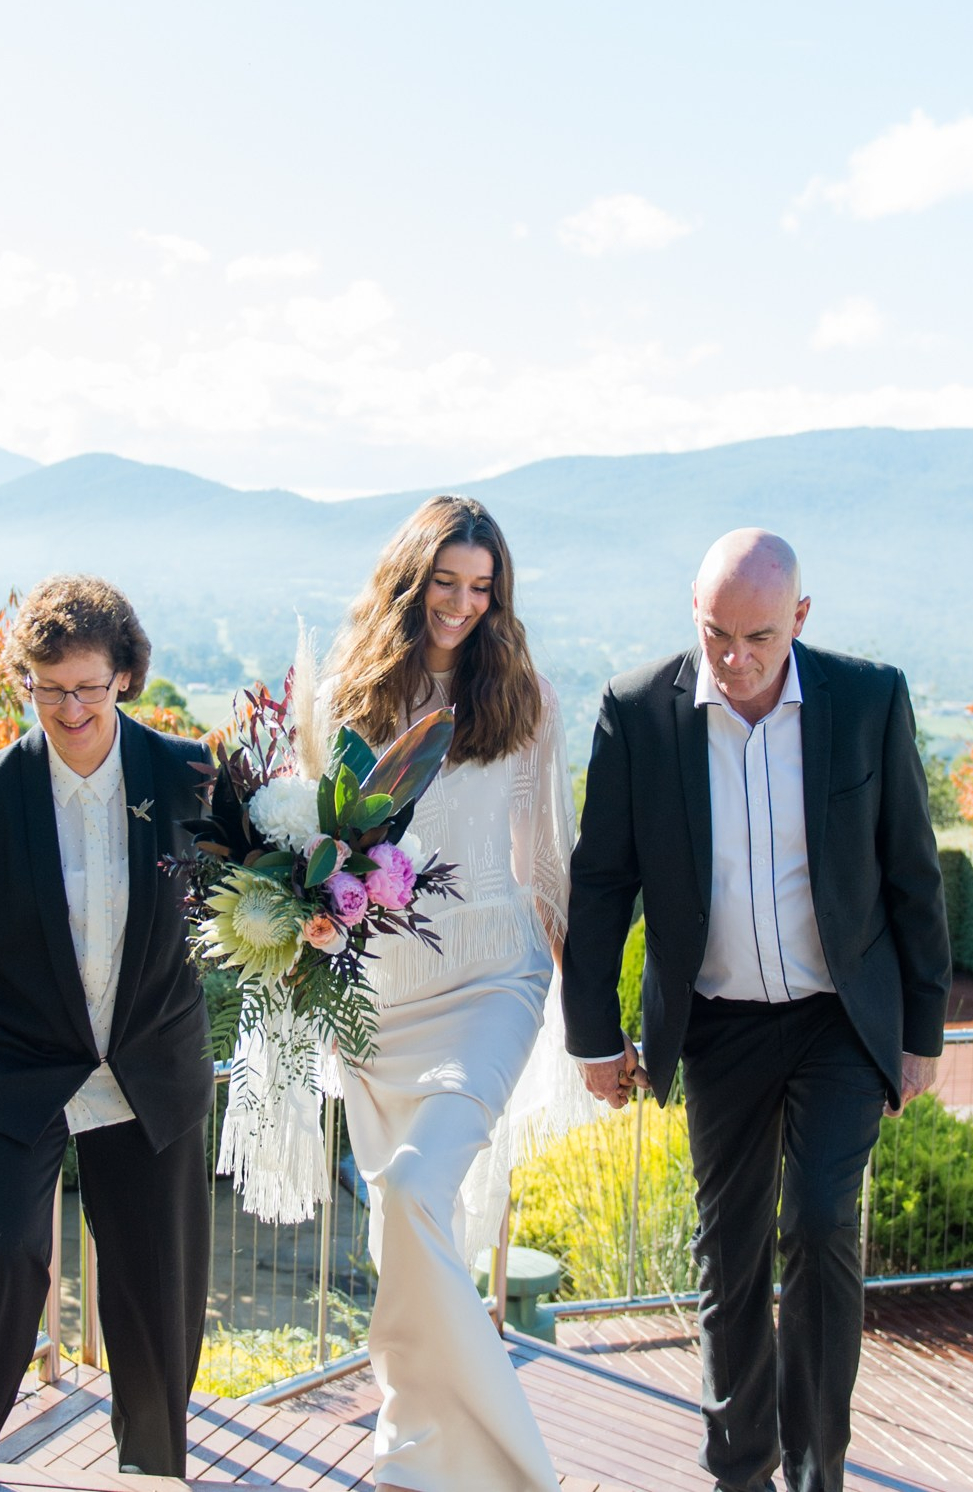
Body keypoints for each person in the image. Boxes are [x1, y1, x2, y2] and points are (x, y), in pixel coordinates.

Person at [561, 530, 953, 1492]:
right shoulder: (636, 711)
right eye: (715, 635)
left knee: (820, 1220)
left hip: (839, 1020)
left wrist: (922, 1034)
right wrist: (594, 1037)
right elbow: (603, 881)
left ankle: (819, 1473)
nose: (733, 661)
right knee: (729, 1249)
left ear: (801, 621)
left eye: (758, 639)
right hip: (717, 1022)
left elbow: (913, 873)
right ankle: (738, 1472)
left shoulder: (869, 700)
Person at [0, 575, 214, 1491]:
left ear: (123, 677)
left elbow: (255, 893)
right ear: (25, 683)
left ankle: (152, 1474)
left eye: (85, 685)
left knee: (155, 1299)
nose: (68, 708)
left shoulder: (186, 776)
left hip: (150, 1072)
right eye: (47, 687)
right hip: (16, 1070)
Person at [324, 494, 582, 1492]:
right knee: (400, 1215)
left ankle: (509, 1462)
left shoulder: (526, 702)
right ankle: (413, 1447)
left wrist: (589, 1017)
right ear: (411, 579)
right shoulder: (352, 697)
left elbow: (547, 865)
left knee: (417, 1190)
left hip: (491, 982)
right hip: (379, 999)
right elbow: (324, 848)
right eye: (446, 581)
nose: (464, 604)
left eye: (483, 587)